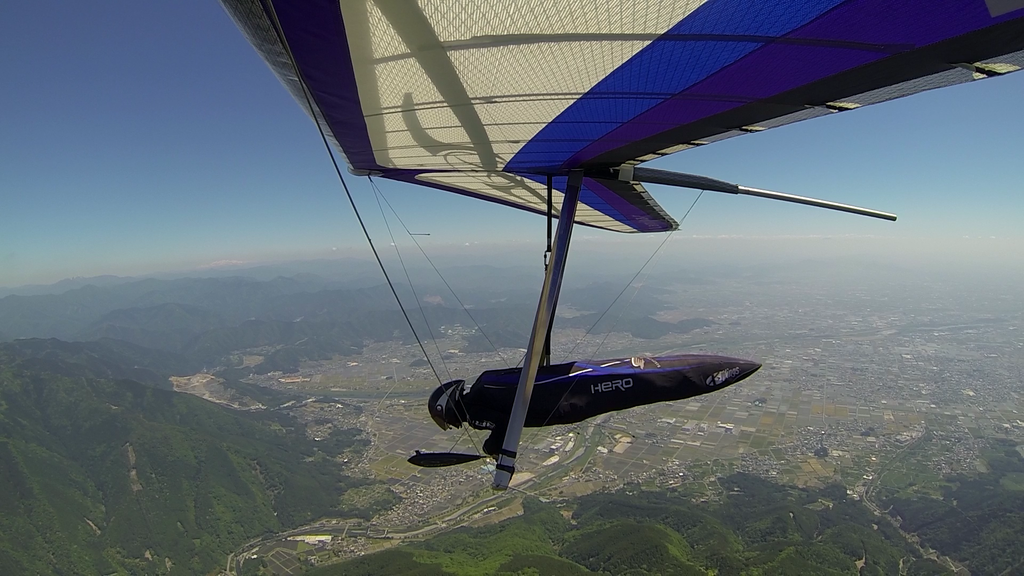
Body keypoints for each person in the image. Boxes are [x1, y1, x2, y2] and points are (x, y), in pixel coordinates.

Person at [427, 354, 760, 456]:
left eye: (450, 420)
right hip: (575, 386)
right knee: (644, 381)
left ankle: (707, 373)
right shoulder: (485, 390)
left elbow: (499, 427)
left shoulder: (482, 397)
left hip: (574, 393)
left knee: (649, 383)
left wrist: (491, 449)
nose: (457, 425)